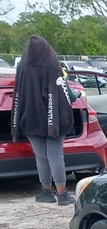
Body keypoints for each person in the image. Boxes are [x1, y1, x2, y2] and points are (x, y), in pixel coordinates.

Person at [11, 35, 79, 205]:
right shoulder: (54, 68)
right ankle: (62, 194)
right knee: (55, 156)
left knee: (40, 157)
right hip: (53, 120)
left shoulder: (22, 70)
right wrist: (75, 95)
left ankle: (46, 192)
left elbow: (18, 96)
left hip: (31, 120)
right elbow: (67, 95)